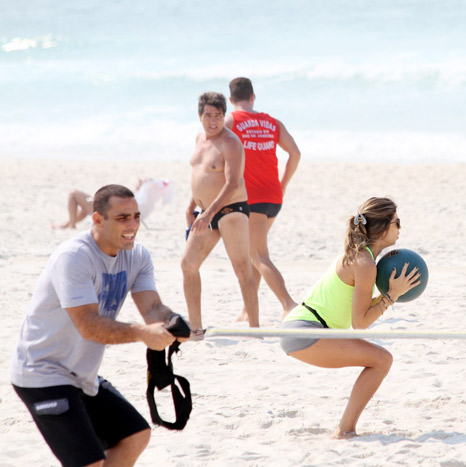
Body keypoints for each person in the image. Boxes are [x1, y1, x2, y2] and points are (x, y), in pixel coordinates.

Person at [10, 184, 185, 466]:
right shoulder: (74, 257)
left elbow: (153, 308)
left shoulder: (137, 256)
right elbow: (89, 326)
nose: (132, 225)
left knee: (134, 436)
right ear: (97, 219)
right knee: (90, 462)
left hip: (81, 373)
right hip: (42, 373)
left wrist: (173, 324)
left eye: (137, 216)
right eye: (122, 218)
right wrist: (143, 334)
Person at [279, 197, 421, 438]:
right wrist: (392, 295)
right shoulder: (364, 263)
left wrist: (389, 295)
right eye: (398, 222)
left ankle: (345, 428)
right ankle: (345, 430)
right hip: (304, 331)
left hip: (301, 329)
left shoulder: (363, 256)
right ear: (384, 227)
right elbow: (360, 323)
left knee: (381, 359)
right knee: (382, 360)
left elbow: (361, 311)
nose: (400, 227)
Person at [182, 92, 260, 334]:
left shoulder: (231, 143)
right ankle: (196, 328)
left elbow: (233, 183)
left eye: (218, 115)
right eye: (208, 115)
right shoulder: (199, 138)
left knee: (242, 269)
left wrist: (208, 214)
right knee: (188, 265)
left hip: (231, 210)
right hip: (205, 210)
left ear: (224, 116)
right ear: (199, 116)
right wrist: (191, 207)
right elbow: (200, 175)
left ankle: (254, 328)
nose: (213, 121)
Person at [224, 77, 301, 320]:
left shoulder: (231, 121)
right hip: (273, 197)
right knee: (254, 253)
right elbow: (295, 154)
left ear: (230, 100)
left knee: (258, 256)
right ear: (253, 96)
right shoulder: (272, 122)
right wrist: (284, 183)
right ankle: (249, 308)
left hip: (251, 199)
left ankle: (289, 304)